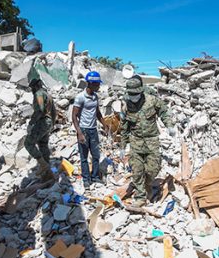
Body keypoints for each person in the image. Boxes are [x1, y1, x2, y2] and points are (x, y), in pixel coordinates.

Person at [120, 76, 176, 207]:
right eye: (131, 94)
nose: (133, 97)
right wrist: (122, 146)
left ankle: (148, 186)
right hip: (136, 141)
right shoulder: (125, 105)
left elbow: (164, 112)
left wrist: (169, 125)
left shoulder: (152, 100)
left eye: (136, 94)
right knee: (137, 171)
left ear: (141, 91)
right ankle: (140, 197)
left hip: (152, 141)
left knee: (153, 170)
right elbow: (124, 127)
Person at [72, 71, 107, 189]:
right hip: (84, 130)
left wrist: (104, 124)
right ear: (90, 84)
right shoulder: (80, 97)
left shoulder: (95, 97)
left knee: (96, 155)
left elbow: (97, 112)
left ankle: (95, 176)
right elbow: (74, 116)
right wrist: (79, 133)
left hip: (93, 130)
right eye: (97, 84)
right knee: (84, 157)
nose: (99, 86)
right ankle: (86, 179)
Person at [24, 77, 56, 186]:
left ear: (36, 86)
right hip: (48, 122)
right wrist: (52, 124)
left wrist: (31, 123)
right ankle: (47, 175)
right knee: (43, 145)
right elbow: (54, 111)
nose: (32, 90)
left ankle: (43, 165)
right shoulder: (47, 94)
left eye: (32, 88)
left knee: (28, 143)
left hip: (43, 122)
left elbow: (40, 110)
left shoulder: (39, 94)